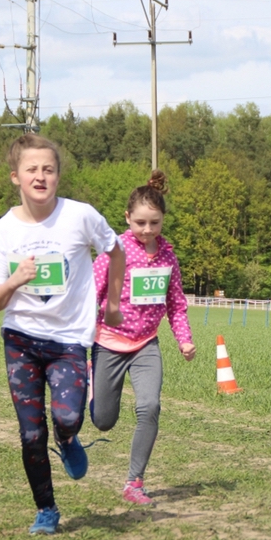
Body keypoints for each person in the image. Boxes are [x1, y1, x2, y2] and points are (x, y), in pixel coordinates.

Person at [0, 134, 126, 536]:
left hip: (68, 341)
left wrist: (113, 303)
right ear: (16, 176)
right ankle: (46, 509)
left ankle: (67, 438)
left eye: (48, 169)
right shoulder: (4, 230)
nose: (40, 176)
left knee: (68, 417)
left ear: (58, 175)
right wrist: (15, 280)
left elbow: (116, 252)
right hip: (21, 340)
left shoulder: (80, 216)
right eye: (31, 169)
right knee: (31, 434)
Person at [90, 169, 196, 506]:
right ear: (127, 218)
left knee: (149, 406)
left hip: (146, 345)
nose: (147, 229)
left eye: (155, 222)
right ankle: (93, 388)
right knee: (103, 420)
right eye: (140, 223)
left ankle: (134, 482)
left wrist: (184, 339)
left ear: (163, 219)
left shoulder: (168, 257)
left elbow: (176, 304)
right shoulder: (114, 251)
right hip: (108, 342)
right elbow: (90, 292)